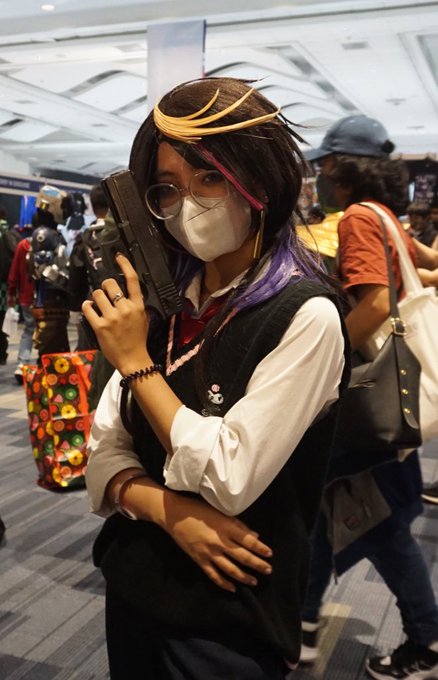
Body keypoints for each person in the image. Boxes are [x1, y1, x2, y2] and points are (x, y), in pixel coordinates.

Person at [84, 77, 349, 679]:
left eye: (209, 178)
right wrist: (168, 511)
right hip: (134, 587)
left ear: (259, 179)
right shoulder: (161, 306)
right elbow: (103, 449)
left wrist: (136, 365)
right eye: (168, 187)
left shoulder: (305, 315)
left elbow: (230, 478)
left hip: (229, 619)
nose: (189, 203)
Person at [302, 114, 438, 680]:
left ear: (344, 168)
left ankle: (427, 640)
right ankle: (302, 621)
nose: (321, 175)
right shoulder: (385, 216)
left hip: (370, 393)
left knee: (365, 513)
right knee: (339, 504)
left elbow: (377, 304)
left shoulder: (358, 218)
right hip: (395, 391)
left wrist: (323, 367)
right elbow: (423, 271)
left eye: (327, 164)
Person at [7, 226, 36, 382]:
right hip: (50, 298)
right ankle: (46, 365)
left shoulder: (23, 245)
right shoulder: (54, 241)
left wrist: (11, 294)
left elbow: (14, 272)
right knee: (50, 332)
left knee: (28, 330)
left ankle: (22, 364)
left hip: (26, 295)